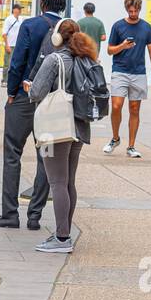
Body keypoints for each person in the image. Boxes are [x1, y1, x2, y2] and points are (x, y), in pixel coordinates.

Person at [0, 0, 65, 231]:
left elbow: (17, 62)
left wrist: (11, 93)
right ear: (63, 4)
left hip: (24, 98)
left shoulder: (30, 25)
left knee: (12, 154)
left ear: (42, 2)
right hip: (53, 104)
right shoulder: (69, 28)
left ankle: (9, 213)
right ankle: (35, 216)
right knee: (46, 158)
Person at [28, 19, 98, 254]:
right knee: (68, 182)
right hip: (78, 127)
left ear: (57, 37)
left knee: (56, 182)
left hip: (54, 129)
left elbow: (37, 91)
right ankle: (63, 231)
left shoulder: (54, 60)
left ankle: (62, 237)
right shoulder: (85, 58)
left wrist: (29, 88)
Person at [104, 0, 151, 158]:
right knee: (116, 106)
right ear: (126, 9)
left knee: (134, 109)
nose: (133, 14)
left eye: (135, 11)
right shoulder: (118, 26)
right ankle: (115, 138)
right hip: (120, 71)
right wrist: (122, 46)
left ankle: (131, 146)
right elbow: (109, 50)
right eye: (130, 11)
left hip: (138, 73)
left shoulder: (146, 27)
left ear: (140, 9)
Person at [0, 3, 24, 87]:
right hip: (10, 44)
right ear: (14, 10)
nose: (20, 11)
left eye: (21, 9)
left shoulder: (21, 19)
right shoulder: (9, 19)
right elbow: (4, 33)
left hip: (18, 45)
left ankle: (13, 81)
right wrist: (7, 45)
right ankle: (4, 80)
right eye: (19, 9)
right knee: (7, 63)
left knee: (16, 64)